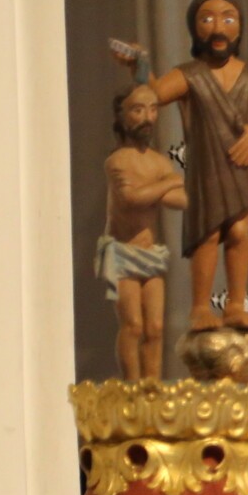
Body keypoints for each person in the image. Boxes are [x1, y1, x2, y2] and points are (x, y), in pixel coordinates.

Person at [111, 0, 248, 332]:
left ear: (239, 28)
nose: (218, 27)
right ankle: (200, 307)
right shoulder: (190, 74)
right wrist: (140, 67)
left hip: (242, 163)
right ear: (195, 29)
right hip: (208, 167)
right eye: (207, 19)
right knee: (208, 233)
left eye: (228, 18)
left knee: (239, 231)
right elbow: (155, 92)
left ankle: (235, 305)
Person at [96, 84, 186, 379]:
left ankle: (151, 388)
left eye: (152, 109)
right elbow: (131, 199)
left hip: (150, 254)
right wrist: (168, 182)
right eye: (138, 110)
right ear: (121, 116)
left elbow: (181, 200)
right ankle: (132, 388)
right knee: (133, 325)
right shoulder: (118, 161)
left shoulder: (159, 162)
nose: (147, 117)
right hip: (123, 252)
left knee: (156, 327)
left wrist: (156, 189)